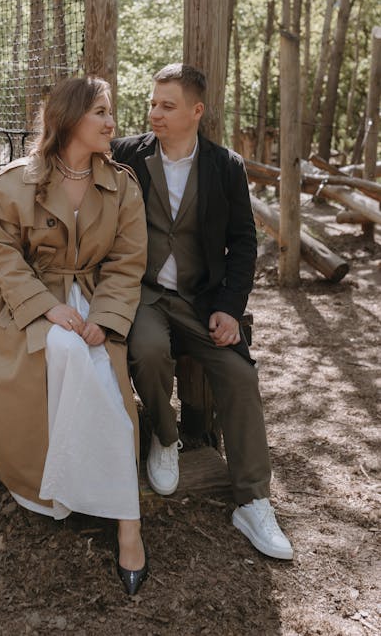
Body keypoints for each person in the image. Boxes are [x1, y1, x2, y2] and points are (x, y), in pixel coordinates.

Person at [111, 63, 293, 561]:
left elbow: (243, 242)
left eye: (167, 105)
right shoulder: (127, 154)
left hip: (200, 300)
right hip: (144, 293)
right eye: (152, 103)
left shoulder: (225, 166)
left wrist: (231, 309)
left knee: (238, 375)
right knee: (146, 351)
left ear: (196, 110)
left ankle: (253, 502)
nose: (155, 113)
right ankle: (165, 437)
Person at [0, 75, 149, 594]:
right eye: (101, 112)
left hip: (93, 301)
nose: (111, 123)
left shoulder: (122, 186)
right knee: (67, 352)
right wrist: (46, 307)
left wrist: (108, 317)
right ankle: (69, 494)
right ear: (71, 117)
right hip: (23, 304)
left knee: (101, 365)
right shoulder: (14, 182)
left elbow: (127, 261)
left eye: (110, 112)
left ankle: (126, 520)